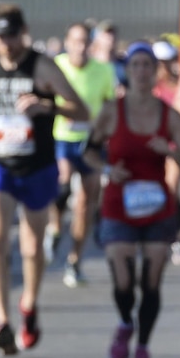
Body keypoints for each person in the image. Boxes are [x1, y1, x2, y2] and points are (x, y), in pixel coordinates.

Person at [0, 5, 90, 354]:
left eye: (13, 36)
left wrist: (48, 107)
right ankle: (1, 319)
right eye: (1, 38)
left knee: (31, 248)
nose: (7, 45)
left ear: (24, 32)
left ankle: (28, 303)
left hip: (37, 165)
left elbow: (81, 110)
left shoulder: (43, 65)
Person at [88, 41, 180, 358]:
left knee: (151, 281)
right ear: (127, 71)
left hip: (158, 205)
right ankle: (124, 322)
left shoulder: (168, 114)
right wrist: (106, 169)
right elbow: (88, 151)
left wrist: (170, 150)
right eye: (136, 66)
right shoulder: (110, 111)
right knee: (122, 277)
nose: (142, 72)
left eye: (148, 66)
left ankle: (143, 345)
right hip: (119, 203)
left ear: (156, 72)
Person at [54, 21, 121, 288]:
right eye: (75, 41)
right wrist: (63, 112)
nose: (80, 47)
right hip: (62, 137)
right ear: (67, 42)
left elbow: (110, 105)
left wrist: (102, 125)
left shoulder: (104, 70)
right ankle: (55, 225)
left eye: (85, 42)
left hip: (91, 141)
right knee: (62, 183)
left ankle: (74, 259)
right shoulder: (57, 65)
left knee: (86, 203)